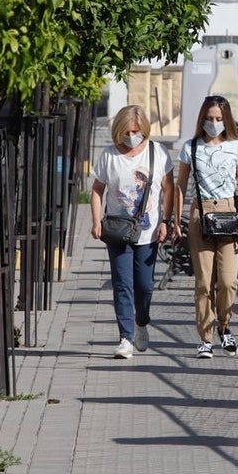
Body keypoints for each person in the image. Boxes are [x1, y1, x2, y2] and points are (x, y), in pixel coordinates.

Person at [175, 95, 238, 359]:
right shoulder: (190, 147)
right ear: (202, 119)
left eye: (219, 119)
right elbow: (180, 185)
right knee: (203, 282)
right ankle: (206, 338)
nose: (214, 123)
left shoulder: (236, 147)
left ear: (227, 120)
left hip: (228, 214)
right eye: (210, 118)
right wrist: (175, 219)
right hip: (201, 213)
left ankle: (224, 325)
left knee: (228, 281)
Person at [90, 105, 174, 359]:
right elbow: (97, 190)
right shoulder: (109, 156)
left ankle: (141, 322)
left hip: (148, 233)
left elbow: (169, 189)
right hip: (117, 230)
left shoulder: (157, 152)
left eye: (135, 131)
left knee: (145, 286)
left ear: (143, 129)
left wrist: (166, 221)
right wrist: (96, 221)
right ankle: (125, 338)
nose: (131, 136)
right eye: (126, 132)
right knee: (122, 284)